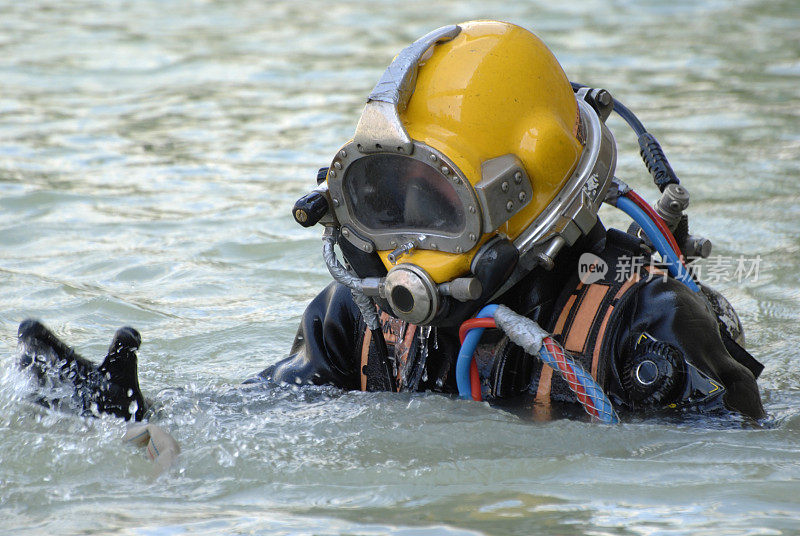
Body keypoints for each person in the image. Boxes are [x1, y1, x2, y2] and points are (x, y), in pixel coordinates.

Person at [16, 21, 765, 424]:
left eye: (431, 204)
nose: (402, 241)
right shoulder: (362, 313)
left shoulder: (650, 326)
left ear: (519, 201)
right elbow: (273, 414)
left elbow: (737, 463)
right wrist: (133, 414)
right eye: (381, 199)